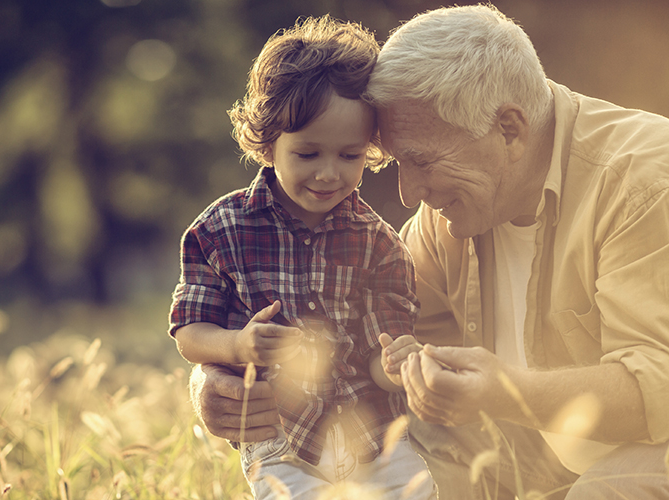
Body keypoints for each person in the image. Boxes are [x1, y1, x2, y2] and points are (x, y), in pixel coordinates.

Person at [193, 4, 669, 499]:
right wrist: (218, 380)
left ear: (509, 129)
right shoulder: (448, 221)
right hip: (537, 464)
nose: (407, 193)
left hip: (652, 452)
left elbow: (661, 383)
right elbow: (358, 347)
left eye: (421, 161)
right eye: (399, 163)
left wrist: (507, 392)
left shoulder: (645, 182)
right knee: (384, 432)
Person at [168, 15, 434, 500]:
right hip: (279, 437)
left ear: (370, 150)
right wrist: (237, 348)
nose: (329, 174)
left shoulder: (379, 242)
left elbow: (380, 349)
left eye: (349, 156)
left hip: (373, 434)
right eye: (308, 154)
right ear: (269, 145)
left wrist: (396, 362)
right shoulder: (221, 230)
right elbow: (190, 333)